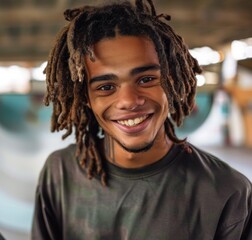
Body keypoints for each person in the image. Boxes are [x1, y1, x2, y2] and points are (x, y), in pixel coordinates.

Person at [31, 0, 252, 239]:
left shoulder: (227, 191)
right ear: (86, 98)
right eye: (106, 87)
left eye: (146, 79)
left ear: (172, 81)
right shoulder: (60, 174)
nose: (128, 100)